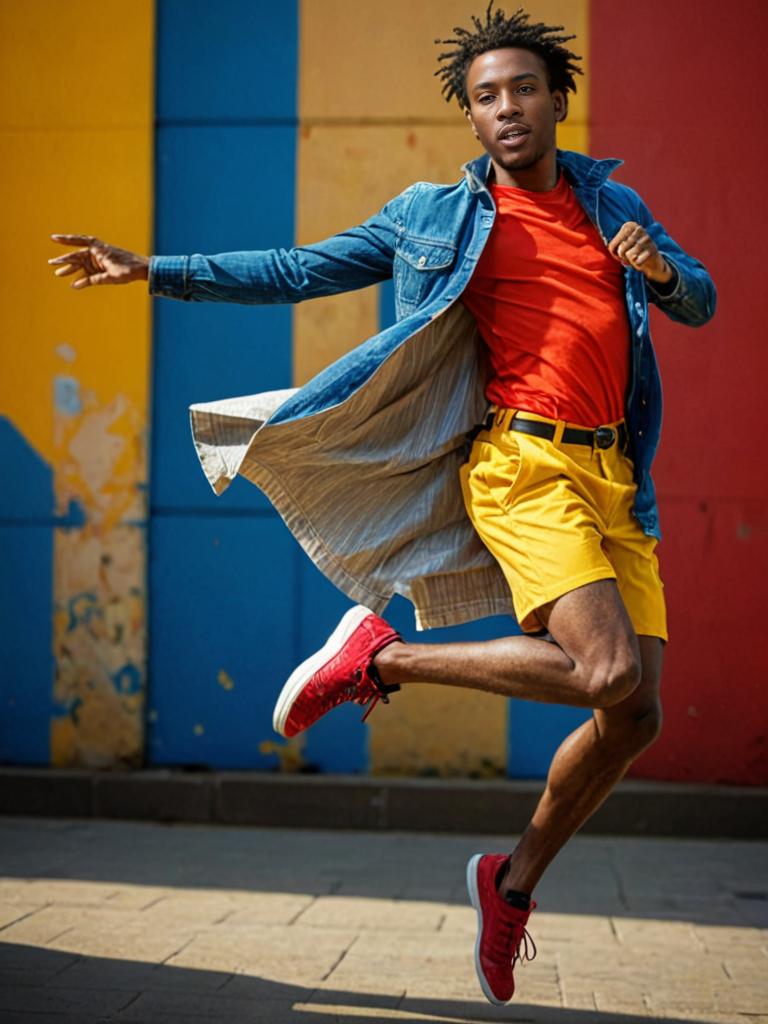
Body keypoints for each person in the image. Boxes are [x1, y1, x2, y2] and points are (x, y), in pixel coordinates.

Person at [49, 4, 715, 1006]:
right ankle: (381, 657)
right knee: (605, 666)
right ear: (473, 118)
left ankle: (512, 881)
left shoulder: (610, 202)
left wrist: (661, 271)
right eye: (486, 96)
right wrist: (158, 272)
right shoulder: (436, 216)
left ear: (556, 99)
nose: (507, 108)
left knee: (635, 714)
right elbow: (300, 269)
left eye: (523, 88)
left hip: (621, 482)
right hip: (524, 468)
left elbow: (701, 296)